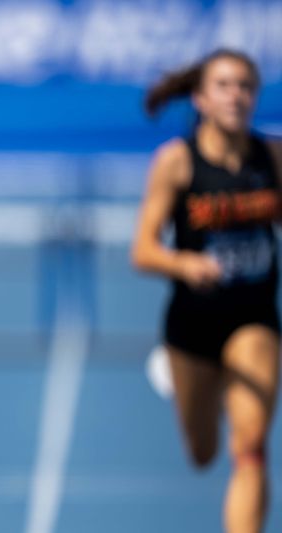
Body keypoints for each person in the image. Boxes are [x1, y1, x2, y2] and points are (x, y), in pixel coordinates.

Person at [132, 49, 282, 533]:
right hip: (192, 324)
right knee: (203, 453)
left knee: (251, 444)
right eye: (224, 85)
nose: (236, 95)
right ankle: (208, 388)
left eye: (245, 86)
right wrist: (184, 263)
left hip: (254, 317)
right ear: (200, 98)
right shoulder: (177, 162)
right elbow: (142, 250)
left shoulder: (272, 157)